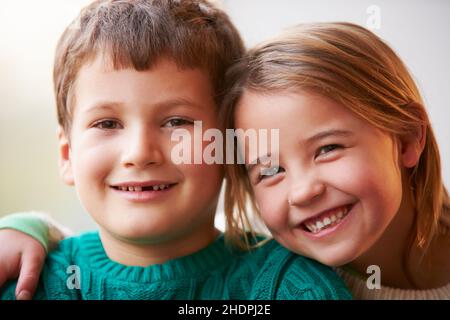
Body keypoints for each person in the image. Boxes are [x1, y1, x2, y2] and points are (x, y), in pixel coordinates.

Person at [0, 2, 351, 300]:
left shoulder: (289, 287)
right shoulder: (30, 282)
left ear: (231, 147)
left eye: (176, 122)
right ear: (67, 156)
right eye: (107, 124)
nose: (139, 153)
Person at [221, 22, 450, 299]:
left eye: (328, 149)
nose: (303, 192)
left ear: (407, 139)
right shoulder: (275, 292)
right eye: (270, 171)